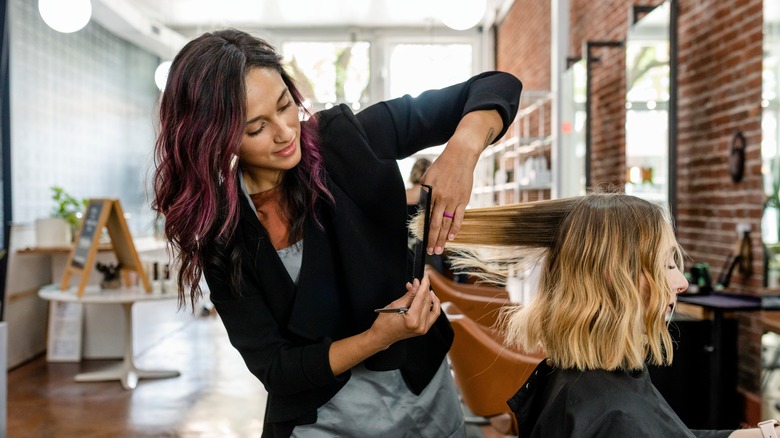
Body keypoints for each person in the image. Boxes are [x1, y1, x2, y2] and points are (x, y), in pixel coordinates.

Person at [151, 29, 522, 437]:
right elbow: (277, 369)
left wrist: (461, 152)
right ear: (215, 140)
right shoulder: (224, 236)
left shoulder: (346, 141)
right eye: (256, 128)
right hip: (320, 420)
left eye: (285, 105)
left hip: (421, 398)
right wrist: (377, 338)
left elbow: (496, 87)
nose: (285, 132)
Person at [410, 192, 780, 438]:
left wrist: (758, 433)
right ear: (615, 276)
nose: (681, 281)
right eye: (667, 265)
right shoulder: (614, 416)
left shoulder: (589, 378)